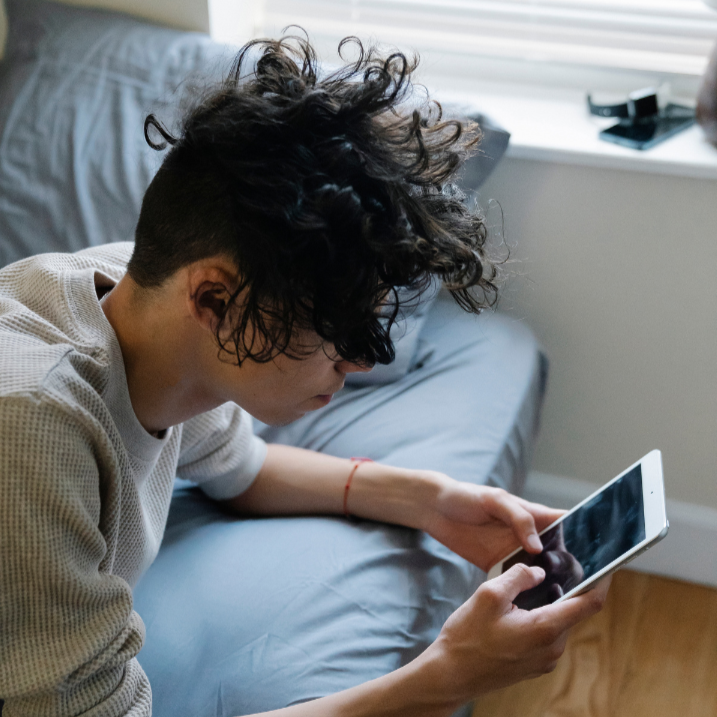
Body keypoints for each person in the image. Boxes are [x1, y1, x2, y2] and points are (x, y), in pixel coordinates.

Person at [0, 34, 610, 717]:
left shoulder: (141, 302)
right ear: (212, 299)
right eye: (337, 335)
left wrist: (431, 500)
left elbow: (239, 468)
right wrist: (443, 675)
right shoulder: (30, 429)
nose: (362, 362)